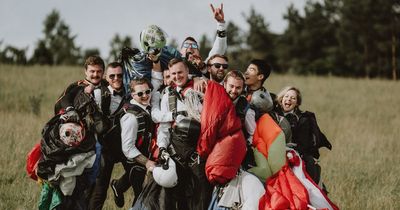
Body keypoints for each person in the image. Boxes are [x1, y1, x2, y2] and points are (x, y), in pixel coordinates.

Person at [87, 62, 130, 209]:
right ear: (106, 77)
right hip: (105, 147)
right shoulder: (99, 94)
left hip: (126, 146)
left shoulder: (132, 92)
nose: (116, 78)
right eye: (112, 76)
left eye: (120, 75)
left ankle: (119, 186)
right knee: (99, 191)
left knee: (137, 173)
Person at [112, 78, 158, 207]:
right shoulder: (130, 118)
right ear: (132, 95)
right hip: (133, 161)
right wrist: (147, 162)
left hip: (145, 153)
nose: (145, 96)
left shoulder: (147, 106)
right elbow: (128, 148)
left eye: (147, 92)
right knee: (142, 195)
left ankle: (118, 186)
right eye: (140, 94)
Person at [275, 86, 332, 187]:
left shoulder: (303, 119)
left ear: (297, 103)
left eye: (293, 98)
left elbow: (304, 144)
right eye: (286, 96)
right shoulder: (272, 114)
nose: (288, 99)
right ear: (281, 98)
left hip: (295, 156)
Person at [180, 4, 227, 77]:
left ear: (198, 52)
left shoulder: (208, 66)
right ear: (180, 52)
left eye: (194, 45)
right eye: (186, 45)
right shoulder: (173, 69)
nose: (190, 47)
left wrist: (221, 24)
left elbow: (219, 49)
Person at [223, 70, 256, 170]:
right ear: (224, 84)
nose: (233, 91)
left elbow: (252, 134)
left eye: (238, 88)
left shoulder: (247, 110)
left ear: (243, 89)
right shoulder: (216, 97)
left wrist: (244, 147)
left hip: (235, 150)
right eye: (231, 86)